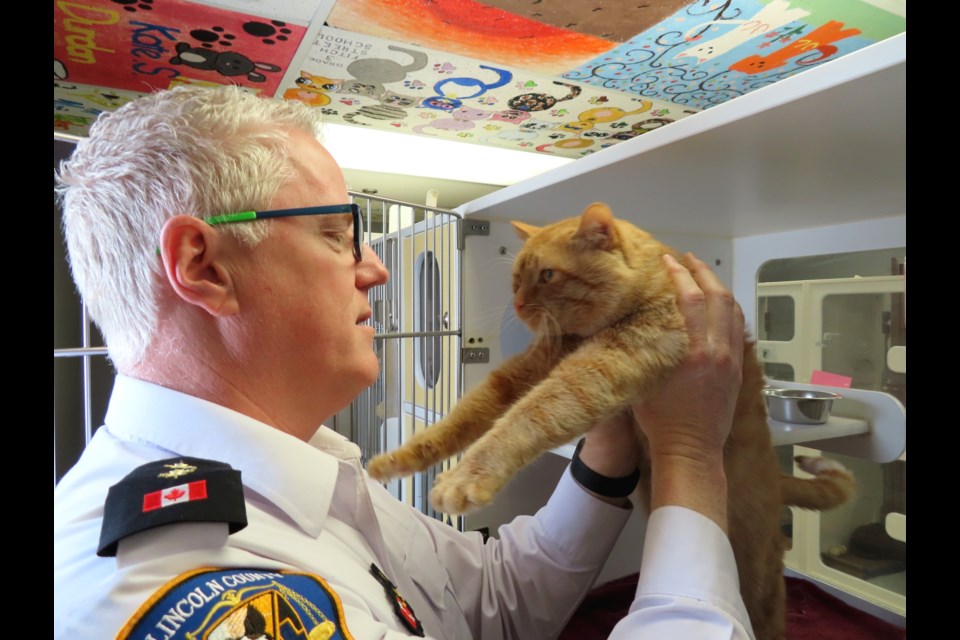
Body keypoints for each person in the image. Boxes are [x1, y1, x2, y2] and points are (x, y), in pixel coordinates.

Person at [53, 85, 754, 639]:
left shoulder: (298, 466)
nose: (376, 269)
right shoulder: (185, 589)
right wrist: (692, 454)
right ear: (204, 268)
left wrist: (607, 446)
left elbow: (495, 603)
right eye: (336, 234)